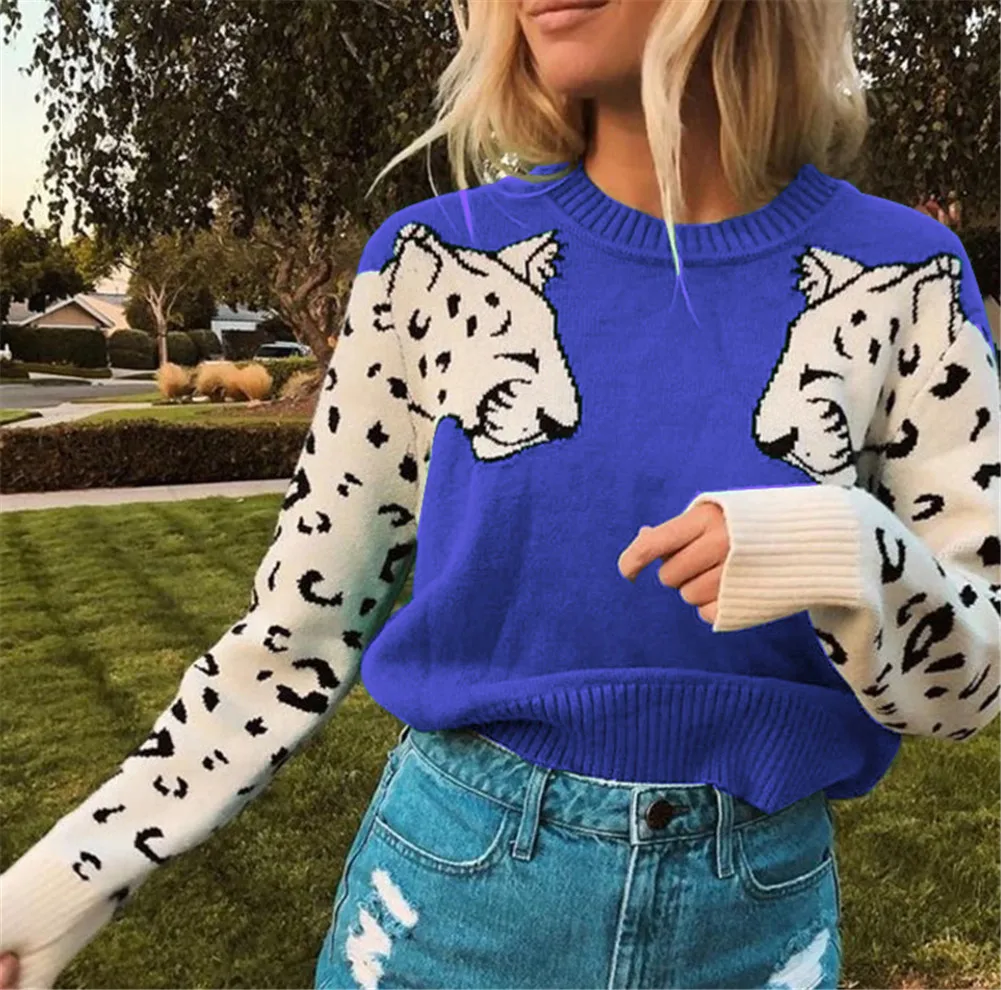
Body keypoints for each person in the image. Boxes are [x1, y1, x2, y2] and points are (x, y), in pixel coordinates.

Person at [3, 1, 1000, 987]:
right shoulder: (432, 265)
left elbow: (967, 693)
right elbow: (294, 634)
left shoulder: (900, 277)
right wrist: (56, 888)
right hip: (445, 906)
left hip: (755, 927)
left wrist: (843, 549)